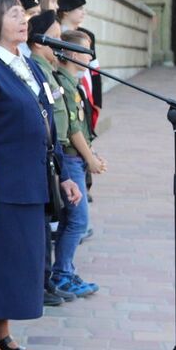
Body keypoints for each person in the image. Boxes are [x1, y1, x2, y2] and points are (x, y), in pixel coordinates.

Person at [0, 0, 80, 350]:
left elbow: (47, 125)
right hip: (1, 185)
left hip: (31, 182)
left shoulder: (27, 65)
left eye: (24, 15)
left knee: (18, 263)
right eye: (15, 15)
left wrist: (61, 176)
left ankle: (3, 332)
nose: (24, 21)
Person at [25, 11, 77, 307]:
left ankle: (45, 281)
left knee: (50, 223)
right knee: (44, 224)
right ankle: (41, 282)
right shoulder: (35, 69)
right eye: (53, 37)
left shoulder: (48, 69)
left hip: (53, 156)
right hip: (43, 159)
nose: (58, 44)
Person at [52, 30, 105, 297]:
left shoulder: (73, 82)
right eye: (87, 51)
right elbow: (72, 129)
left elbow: (81, 127)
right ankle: (61, 274)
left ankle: (65, 270)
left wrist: (91, 153)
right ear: (72, 54)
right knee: (78, 221)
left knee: (71, 220)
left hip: (77, 158)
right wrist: (89, 158)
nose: (90, 57)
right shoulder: (63, 83)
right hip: (71, 160)